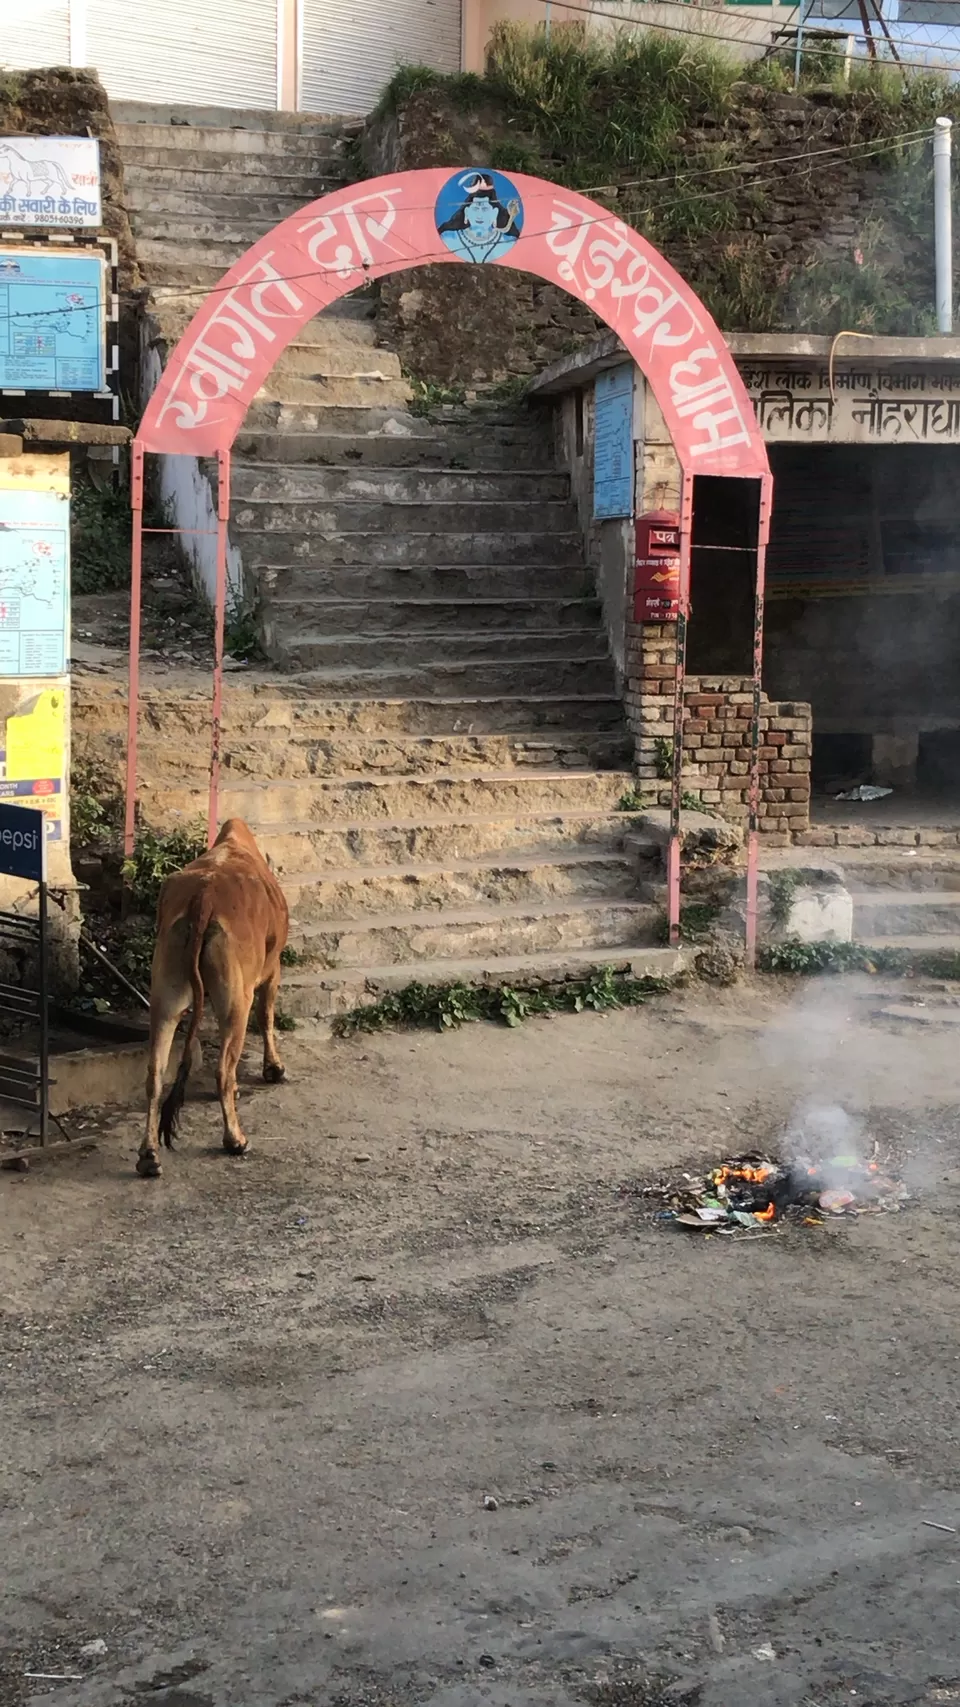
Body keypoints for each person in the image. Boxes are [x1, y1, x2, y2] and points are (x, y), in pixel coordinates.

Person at [437, 172, 521, 264]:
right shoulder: (447, 238)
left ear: (494, 213)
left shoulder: (508, 242)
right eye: (476, 208)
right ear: (467, 212)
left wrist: (511, 217)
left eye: (485, 209)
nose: (480, 215)